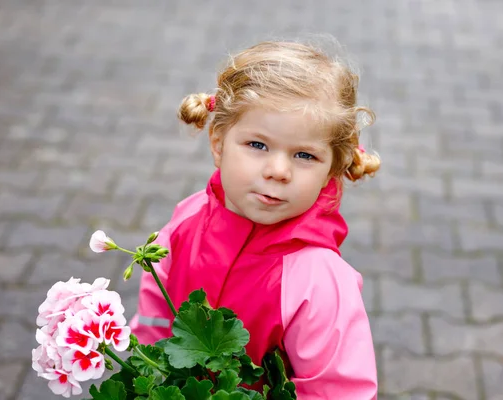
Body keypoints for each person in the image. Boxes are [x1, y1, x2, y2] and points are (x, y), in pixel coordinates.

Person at [130, 39, 381, 399]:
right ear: (218, 143)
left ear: (331, 171)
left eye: (305, 155)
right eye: (258, 145)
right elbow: (154, 321)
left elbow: (338, 392)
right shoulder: (186, 221)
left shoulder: (319, 281)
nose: (278, 170)